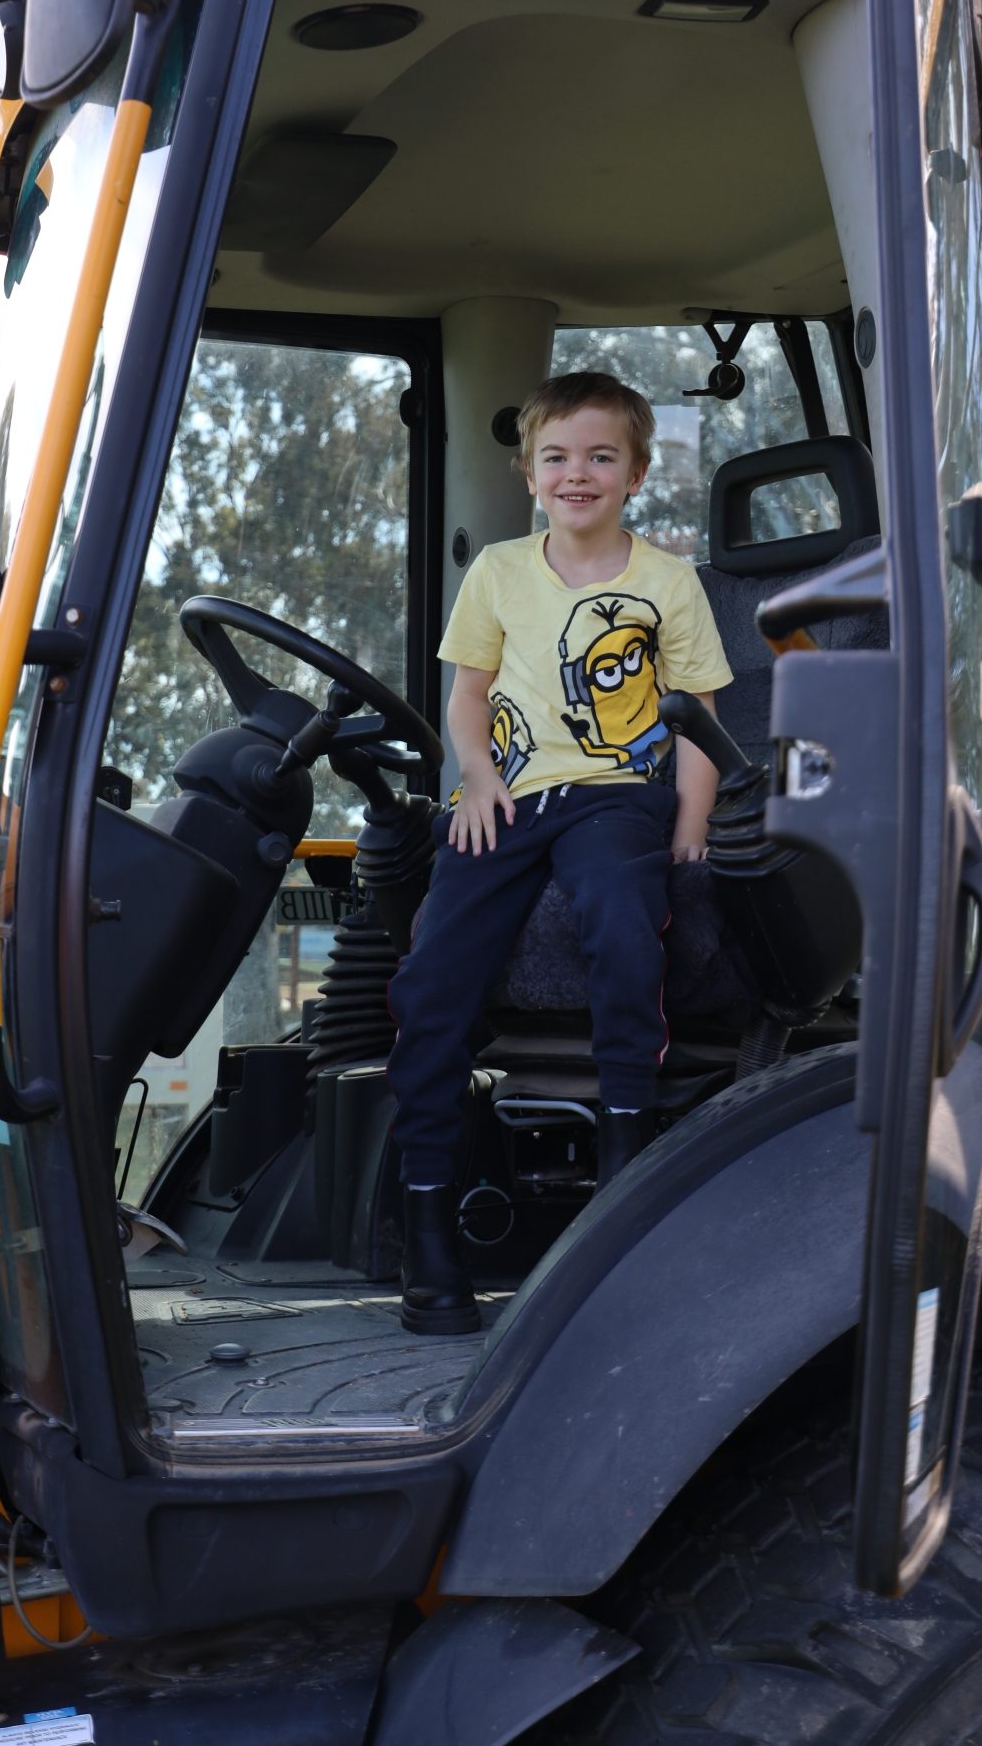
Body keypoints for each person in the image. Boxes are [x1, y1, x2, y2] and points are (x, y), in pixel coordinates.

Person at [386, 371, 732, 1334]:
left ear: (635, 474)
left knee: (619, 921)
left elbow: (697, 716)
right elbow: (467, 695)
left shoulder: (667, 582)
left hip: (616, 798)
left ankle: (624, 1160)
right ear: (529, 474)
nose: (577, 473)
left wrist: (690, 828)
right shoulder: (499, 572)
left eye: (600, 457)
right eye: (556, 457)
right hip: (507, 797)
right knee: (430, 975)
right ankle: (426, 1219)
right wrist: (474, 777)